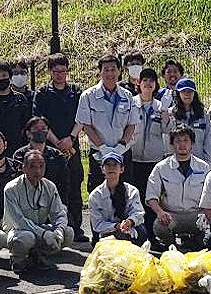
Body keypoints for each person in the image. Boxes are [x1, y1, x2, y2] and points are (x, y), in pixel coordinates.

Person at [32, 53, 87, 242]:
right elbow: (40, 122)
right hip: (50, 148)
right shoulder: (42, 94)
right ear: (50, 72)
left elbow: (82, 118)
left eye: (63, 71)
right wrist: (57, 143)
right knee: (50, 187)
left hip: (72, 146)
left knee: (74, 186)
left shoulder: (76, 92)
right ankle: (52, 226)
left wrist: (71, 138)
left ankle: (76, 227)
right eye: (56, 71)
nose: (60, 75)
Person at [72, 54, 137, 193]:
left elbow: (131, 124)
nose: (110, 73)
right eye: (106, 70)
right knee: (97, 193)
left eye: (113, 69)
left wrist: (122, 145)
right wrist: (102, 147)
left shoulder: (127, 96)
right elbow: (86, 125)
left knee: (125, 194)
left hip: (123, 153)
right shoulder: (88, 96)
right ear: (100, 72)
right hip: (99, 154)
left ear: (119, 71)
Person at [3, 149, 74, 274]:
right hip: (18, 230)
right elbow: (19, 220)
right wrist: (44, 234)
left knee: (68, 233)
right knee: (26, 238)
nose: (37, 170)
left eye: (41, 166)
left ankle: (38, 255)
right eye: (32, 166)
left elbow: (59, 213)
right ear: (24, 168)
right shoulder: (11, 188)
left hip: (39, 227)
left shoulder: (50, 186)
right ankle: (18, 259)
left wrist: (59, 231)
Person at [146, 127, 211, 249]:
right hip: (171, 215)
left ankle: (195, 244)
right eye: (178, 141)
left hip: (196, 214)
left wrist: (205, 212)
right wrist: (160, 212)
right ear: (171, 145)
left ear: (192, 144)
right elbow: (151, 196)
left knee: (210, 229)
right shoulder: (161, 168)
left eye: (186, 140)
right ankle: (171, 246)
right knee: (159, 226)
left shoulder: (204, 167)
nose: (182, 145)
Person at [129, 67, 169, 238]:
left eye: (151, 81)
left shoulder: (160, 107)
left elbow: (167, 130)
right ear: (139, 83)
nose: (148, 84)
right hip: (134, 158)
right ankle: (138, 233)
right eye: (144, 80)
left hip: (153, 160)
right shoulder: (131, 103)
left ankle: (152, 235)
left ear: (155, 85)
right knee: (136, 196)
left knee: (152, 197)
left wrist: (167, 116)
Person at [12, 116, 70, 225]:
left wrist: (62, 206)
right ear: (28, 133)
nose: (40, 131)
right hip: (26, 204)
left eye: (44, 128)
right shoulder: (20, 155)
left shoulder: (57, 156)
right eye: (36, 129)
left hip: (52, 202)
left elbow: (64, 184)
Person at [88, 152, 147, 246]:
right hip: (107, 233)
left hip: (129, 230)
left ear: (122, 169)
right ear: (102, 170)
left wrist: (130, 221)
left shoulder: (132, 191)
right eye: (108, 165)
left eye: (115, 165)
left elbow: (138, 213)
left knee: (142, 232)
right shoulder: (95, 196)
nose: (111, 168)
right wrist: (116, 226)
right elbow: (97, 224)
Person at [164, 78, 209, 161]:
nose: (187, 94)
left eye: (190, 91)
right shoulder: (171, 113)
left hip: (199, 160)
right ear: (178, 94)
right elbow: (168, 138)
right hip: (177, 160)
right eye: (183, 91)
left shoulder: (203, 114)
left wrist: (208, 161)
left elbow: (208, 138)